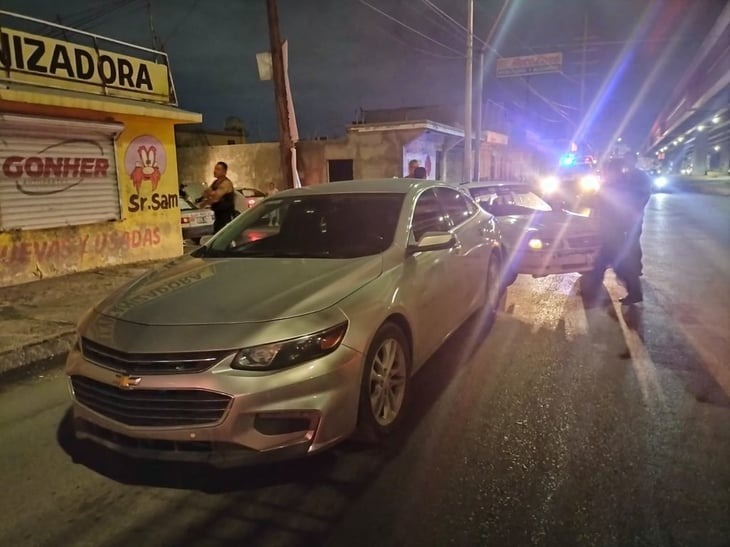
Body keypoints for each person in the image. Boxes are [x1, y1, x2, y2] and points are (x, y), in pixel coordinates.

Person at [589, 156, 651, 304]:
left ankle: (634, 291)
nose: (605, 173)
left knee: (617, 264)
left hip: (616, 230)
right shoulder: (616, 183)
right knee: (602, 262)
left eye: (608, 170)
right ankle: (592, 291)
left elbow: (616, 207)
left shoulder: (621, 185)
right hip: (612, 230)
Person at [201, 161, 236, 233]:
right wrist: (208, 196)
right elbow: (205, 193)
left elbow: (215, 197)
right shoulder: (215, 182)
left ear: (224, 171)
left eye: (218, 169)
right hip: (218, 217)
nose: (215, 171)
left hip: (226, 218)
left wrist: (206, 201)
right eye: (215, 169)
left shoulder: (226, 183)